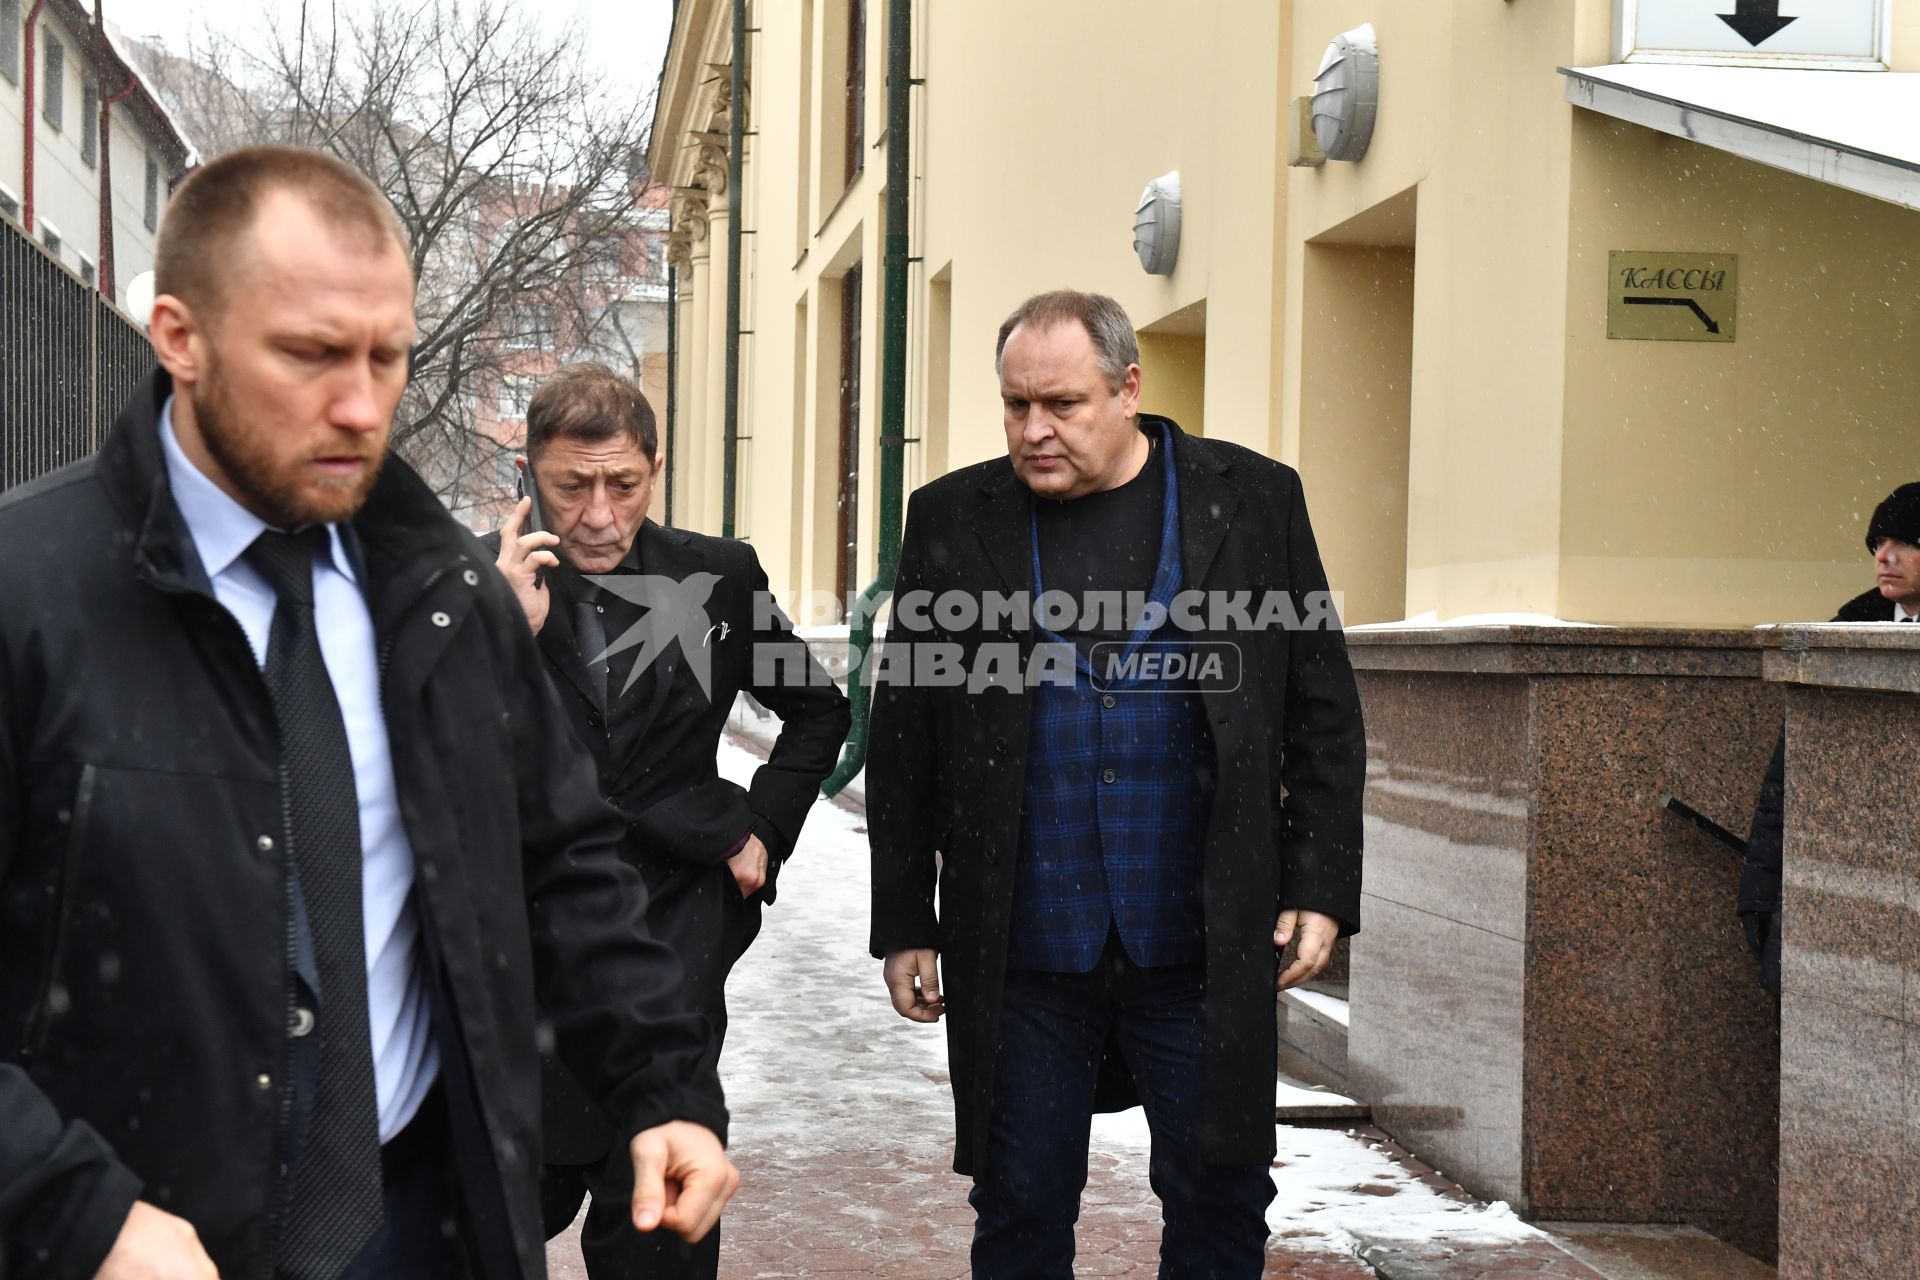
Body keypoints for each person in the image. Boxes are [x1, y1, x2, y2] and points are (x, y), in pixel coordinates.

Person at [0, 145, 738, 1280]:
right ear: (179, 337)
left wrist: (663, 1088)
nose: (360, 403)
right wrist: (78, 1210)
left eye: (388, 357)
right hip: (139, 1246)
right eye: (310, 353)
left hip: (425, 1223)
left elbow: (564, 859)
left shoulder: (445, 595)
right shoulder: (26, 590)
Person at [866, 290, 1367, 1278]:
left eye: (1061, 403)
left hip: (1201, 942)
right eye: (1015, 405)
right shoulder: (952, 519)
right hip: (1023, 945)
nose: (1033, 429)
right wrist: (904, 916)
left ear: (1129, 387)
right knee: (1018, 1205)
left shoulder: (1252, 499)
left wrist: (1319, 884)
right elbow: (906, 733)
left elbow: (1321, 707)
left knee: (1222, 1199)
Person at [489, 363, 851, 1279]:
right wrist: (500, 639)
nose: (600, 515)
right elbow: (422, 756)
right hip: (522, 953)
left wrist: (765, 828)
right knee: (486, 1230)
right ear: (529, 472)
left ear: (657, 466)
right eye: (571, 488)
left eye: (624, 484)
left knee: (658, 1238)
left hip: (672, 942)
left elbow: (818, 711)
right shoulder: (475, 583)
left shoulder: (717, 577)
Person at [1739, 481, 1920, 995]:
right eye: (1879, 543)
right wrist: (1759, 889)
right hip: (1836, 888)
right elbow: (1789, 771)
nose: (1884, 557)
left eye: (1906, 542)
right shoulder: (1850, 623)